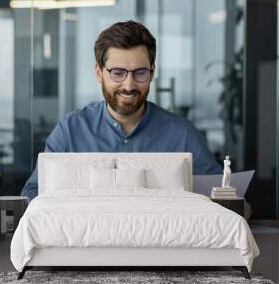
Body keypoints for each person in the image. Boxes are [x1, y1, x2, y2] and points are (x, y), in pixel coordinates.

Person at [21, 20, 221, 201]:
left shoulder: (182, 134)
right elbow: (32, 194)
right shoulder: (70, 131)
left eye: (140, 73)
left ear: (152, 71)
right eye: (118, 73)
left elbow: (222, 195)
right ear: (99, 73)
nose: (129, 85)